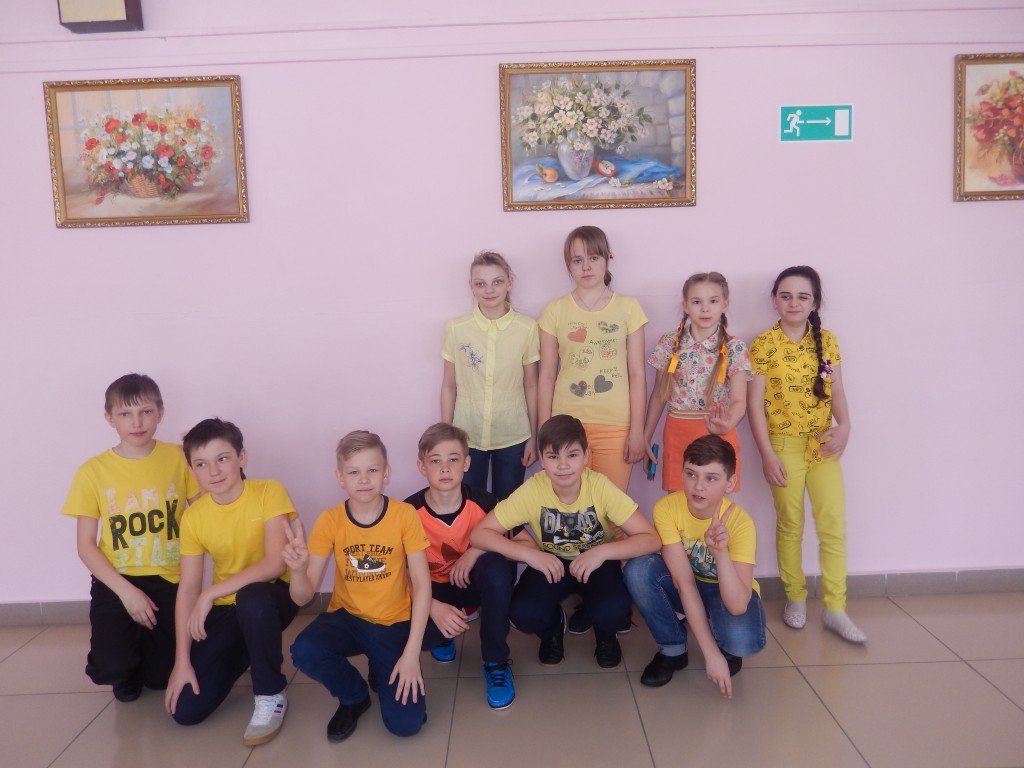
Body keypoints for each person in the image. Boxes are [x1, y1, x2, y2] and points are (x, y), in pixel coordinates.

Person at [286, 431, 445, 741]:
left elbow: (422, 585)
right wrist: (298, 571)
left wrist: (411, 655)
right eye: (353, 472)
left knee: (406, 725)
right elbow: (303, 597)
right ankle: (354, 696)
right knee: (305, 649)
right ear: (340, 477)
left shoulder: (404, 515)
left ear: (386, 473)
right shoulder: (329, 520)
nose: (363, 479)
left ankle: (380, 663)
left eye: (372, 470)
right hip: (348, 618)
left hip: (392, 622)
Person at [470, 415, 660, 669]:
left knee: (615, 612)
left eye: (572, 455)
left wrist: (602, 552)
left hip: (597, 561)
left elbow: (651, 539)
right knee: (523, 614)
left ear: (586, 456)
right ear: (541, 460)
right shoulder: (533, 489)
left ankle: (606, 633)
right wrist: (529, 554)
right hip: (552, 561)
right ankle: (553, 627)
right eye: (553, 456)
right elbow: (479, 534)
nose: (563, 466)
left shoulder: (599, 486)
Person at [62, 373, 200, 703]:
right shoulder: (92, 471)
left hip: (170, 579)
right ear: (109, 418)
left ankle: (147, 651)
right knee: (113, 666)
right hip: (117, 579)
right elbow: (85, 545)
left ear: (160, 413)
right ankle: (125, 663)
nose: (137, 423)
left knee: (160, 677)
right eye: (125, 414)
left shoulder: (180, 457)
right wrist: (127, 593)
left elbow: (204, 517)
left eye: (145, 412)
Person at [747, 266, 866, 643]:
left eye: (803, 296)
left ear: (815, 303)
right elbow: (753, 405)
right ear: (774, 300)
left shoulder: (827, 341)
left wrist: (845, 427)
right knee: (790, 524)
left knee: (832, 525)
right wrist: (767, 454)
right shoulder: (763, 344)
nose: (794, 303)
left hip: (823, 446)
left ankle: (835, 608)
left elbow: (838, 391)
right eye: (786, 295)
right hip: (783, 446)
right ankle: (795, 598)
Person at [165, 418, 298, 746]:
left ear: (242, 457)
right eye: (201, 464)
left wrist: (211, 592)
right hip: (228, 607)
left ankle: (270, 693)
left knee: (252, 597)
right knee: (185, 710)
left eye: (222, 458)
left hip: (273, 596)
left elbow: (275, 563)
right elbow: (188, 590)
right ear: (191, 470)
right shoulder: (194, 517)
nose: (213, 471)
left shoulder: (268, 492)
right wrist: (181, 662)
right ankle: (251, 651)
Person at [624, 435, 766, 698]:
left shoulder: (741, 523)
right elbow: (684, 583)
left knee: (743, 641)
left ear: (730, 483)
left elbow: (737, 604)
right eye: (691, 474)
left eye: (711, 478)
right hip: (687, 584)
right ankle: (673, 649)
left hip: (725, 591)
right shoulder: (666, 508)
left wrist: (720, 554)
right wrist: (710, 654)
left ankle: (724, 643)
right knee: (638, 569)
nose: (698, 486)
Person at [404, 422, 517, 709]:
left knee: (497, 566)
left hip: (473, 585)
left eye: (453, 459)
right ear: (421, 466)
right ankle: (443, 632)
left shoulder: (484, 502)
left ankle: (496, 662)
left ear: (466, 463)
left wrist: (477, 549)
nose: (445, 468)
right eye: (435, 461)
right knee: (416, 634)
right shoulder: (407, 512)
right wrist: (432, 608)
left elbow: (524, 543)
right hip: (432, 592)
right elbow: (397, 575)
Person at [537, 225, 648, 493]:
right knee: (571, 506)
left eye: (593, 258)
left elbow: (637, 373)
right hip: (565, 425)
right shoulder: (554, 310)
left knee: (612, 508)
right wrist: (543, 432)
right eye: (578, 260)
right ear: (569, 265)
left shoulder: (628, 307)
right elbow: (547, 375)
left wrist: (638, 431)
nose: (586, 267)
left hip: (616, 425)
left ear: (607, 259)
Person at [441, 251, 540, 500]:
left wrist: (534, 436)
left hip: (513, 435)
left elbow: (531, 385)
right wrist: (447, 436)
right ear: (471, 286)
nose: (489, 290)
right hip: (467, 435)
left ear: (509, 282)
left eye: (497, 281)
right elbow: (449, 386)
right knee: (470, 506)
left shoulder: (527, 328)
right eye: (480, 283)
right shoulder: (456, 329)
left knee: (508, 509)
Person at [643, 272, 751, 492]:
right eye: (696, 302)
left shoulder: (735, 347)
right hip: (677, 433)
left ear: (725, 304)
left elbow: (740, 401)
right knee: (678, 506)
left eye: (713, 301)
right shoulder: (669, 342)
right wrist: (645, 437)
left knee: (714, 505)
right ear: (685, 305)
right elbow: (659, 395)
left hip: (718, 435)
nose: (705, 309)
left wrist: (727, 424)